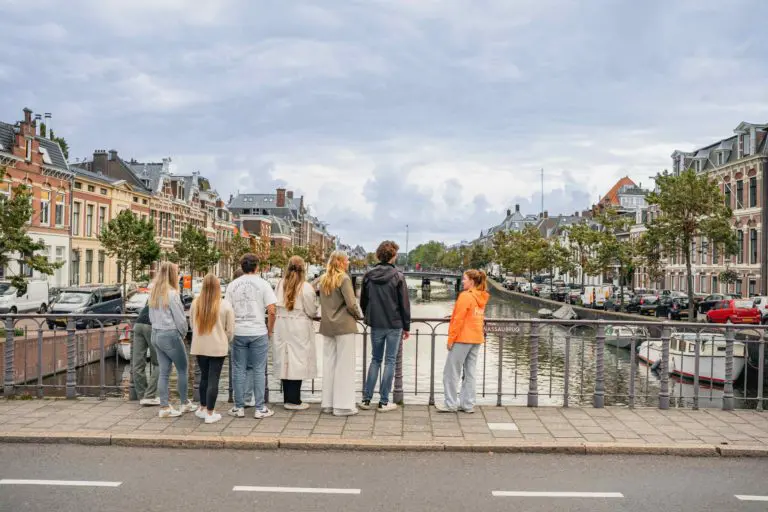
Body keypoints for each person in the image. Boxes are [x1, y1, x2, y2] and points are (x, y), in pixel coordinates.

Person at [359, 240, 411, 412]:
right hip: (394, 323)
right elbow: (404, 304)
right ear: (393, 256)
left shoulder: (368, 275)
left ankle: (366, 399)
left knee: (375, 359)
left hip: (376, 323)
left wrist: (370, 315)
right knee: (390, 361)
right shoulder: (398, 276)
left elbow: (363, 301)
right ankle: (384, 401)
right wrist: (406, 326)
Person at [225, 253, 277, 419]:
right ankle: (260, 407)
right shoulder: (264, 284)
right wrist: (269, 330)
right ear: (257, 267)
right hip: (258, 331)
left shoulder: (232, 285)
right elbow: (272, 310)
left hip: (239, 332)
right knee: (259, 369)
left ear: (242, 266)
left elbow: (227, 310)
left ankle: (239, 407)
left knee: (239, 369)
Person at [436, 269, 489, 413]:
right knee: (470, 373)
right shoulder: (481, 296)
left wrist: (451, 339)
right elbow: (470, 314)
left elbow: (459, 320)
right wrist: (452, 315)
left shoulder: (465, 296)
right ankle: (467, 404)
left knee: (451, 372)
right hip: (476, 337)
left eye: (464, 279)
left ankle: (450, 404)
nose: (463, 281)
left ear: (472, 281)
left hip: (463, 338)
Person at [149, 262, 195, 418]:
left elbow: (150, 317)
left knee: (164, 372)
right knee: (183, 368)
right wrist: (182, 334)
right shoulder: (172, 294)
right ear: (172, 275)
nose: (179, 275)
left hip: (156, 334)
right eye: (177, 272)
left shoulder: (153, 292)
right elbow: (181, 319)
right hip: (170, 334)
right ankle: (184, 403)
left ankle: (164, 407)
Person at [318, 250, 362, 416]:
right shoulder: (344, 278)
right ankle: (343, 406)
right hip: (344, 325)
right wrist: (359, 316)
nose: (349, 262)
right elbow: (351, 304)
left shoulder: (323, 279)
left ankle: (328, 403)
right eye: (347, 260)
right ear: (341, 262)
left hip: (327, 325)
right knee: (345, 365)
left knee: (329, 363)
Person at [274, 255, 318, 410]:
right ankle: (294, 400)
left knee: (285, 360)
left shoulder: (280, 284)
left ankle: (287, 398)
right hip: (299, 326)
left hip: (282, 325)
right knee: (298, 361)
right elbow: (311, 310)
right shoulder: (306, 287)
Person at [190, 274, 234, 424]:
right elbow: (230, 330)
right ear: (218, 287)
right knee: (213, 379)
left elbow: (191, 324)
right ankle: (210, 412)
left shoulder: (196, 303)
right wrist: (224, 339)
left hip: (200, 346)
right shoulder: (225, 305)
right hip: (217, 347)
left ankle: (202, 408)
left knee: (204, 377)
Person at [132, 304, 160, 406]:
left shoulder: (153, 292)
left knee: (138, 363)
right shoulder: (172, 294)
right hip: (152, 325)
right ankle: (149, 396)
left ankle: (142, 395)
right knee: (160, 363)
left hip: (138, 324)